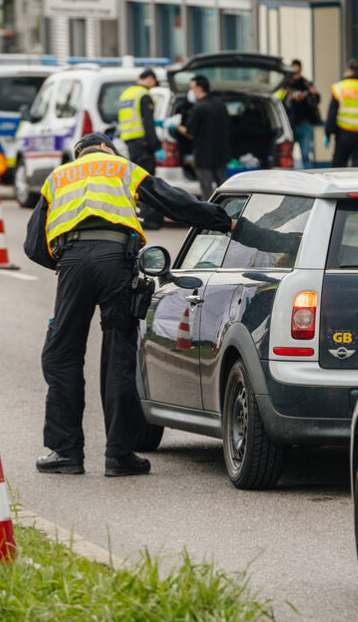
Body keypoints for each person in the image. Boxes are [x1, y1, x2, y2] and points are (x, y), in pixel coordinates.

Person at [24, 132, 235, 477]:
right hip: (116, 260)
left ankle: (65, 453)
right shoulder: (122, 167)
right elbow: (173, 201)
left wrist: (65, 263)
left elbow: (33, 245)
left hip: (72, 263)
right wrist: (224, 221)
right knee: (119, 355)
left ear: (79, 154)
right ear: (108, 149)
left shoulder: (57, 177)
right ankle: (119, 456)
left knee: (62, 355)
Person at [118, 68, 163, 229]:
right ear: (150, 78)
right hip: (143, 145)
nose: (153, 86)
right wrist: (156, 146)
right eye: (154, 82)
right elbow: (148, 124)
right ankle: (149, 219)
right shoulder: (144, 95)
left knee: (136, 181)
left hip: (131, 144)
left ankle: (139, 216)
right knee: (148, 181)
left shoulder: (127, 94)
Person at [176, 75, 232, 200]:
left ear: (200, 89)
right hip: (221, 154)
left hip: (203, 156)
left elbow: (190, 133)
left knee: (206, 188)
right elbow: (229, 127)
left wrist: (177, 126)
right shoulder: (220, 105)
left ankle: (209, 213)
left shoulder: (199, 108)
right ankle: (227, 210)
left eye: (192, 88)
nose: (190, 92)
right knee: (223, 187)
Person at [325, 59, 358, 168]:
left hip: (343, 132)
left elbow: (332, 113)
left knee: (338, 165)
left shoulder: (339, 88)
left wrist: (328, 133)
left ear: (348, 70)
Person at [279, 59, 321, 168]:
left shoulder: (306, 84)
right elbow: (279, 102)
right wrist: (290, 98)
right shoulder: (284, 85)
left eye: (298, 72)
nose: (296, 75)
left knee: (306, 155)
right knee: (287, 156)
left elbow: (316, 100)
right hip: (289, 126)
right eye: (294, 72)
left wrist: (313, 95)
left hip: (304, 124)